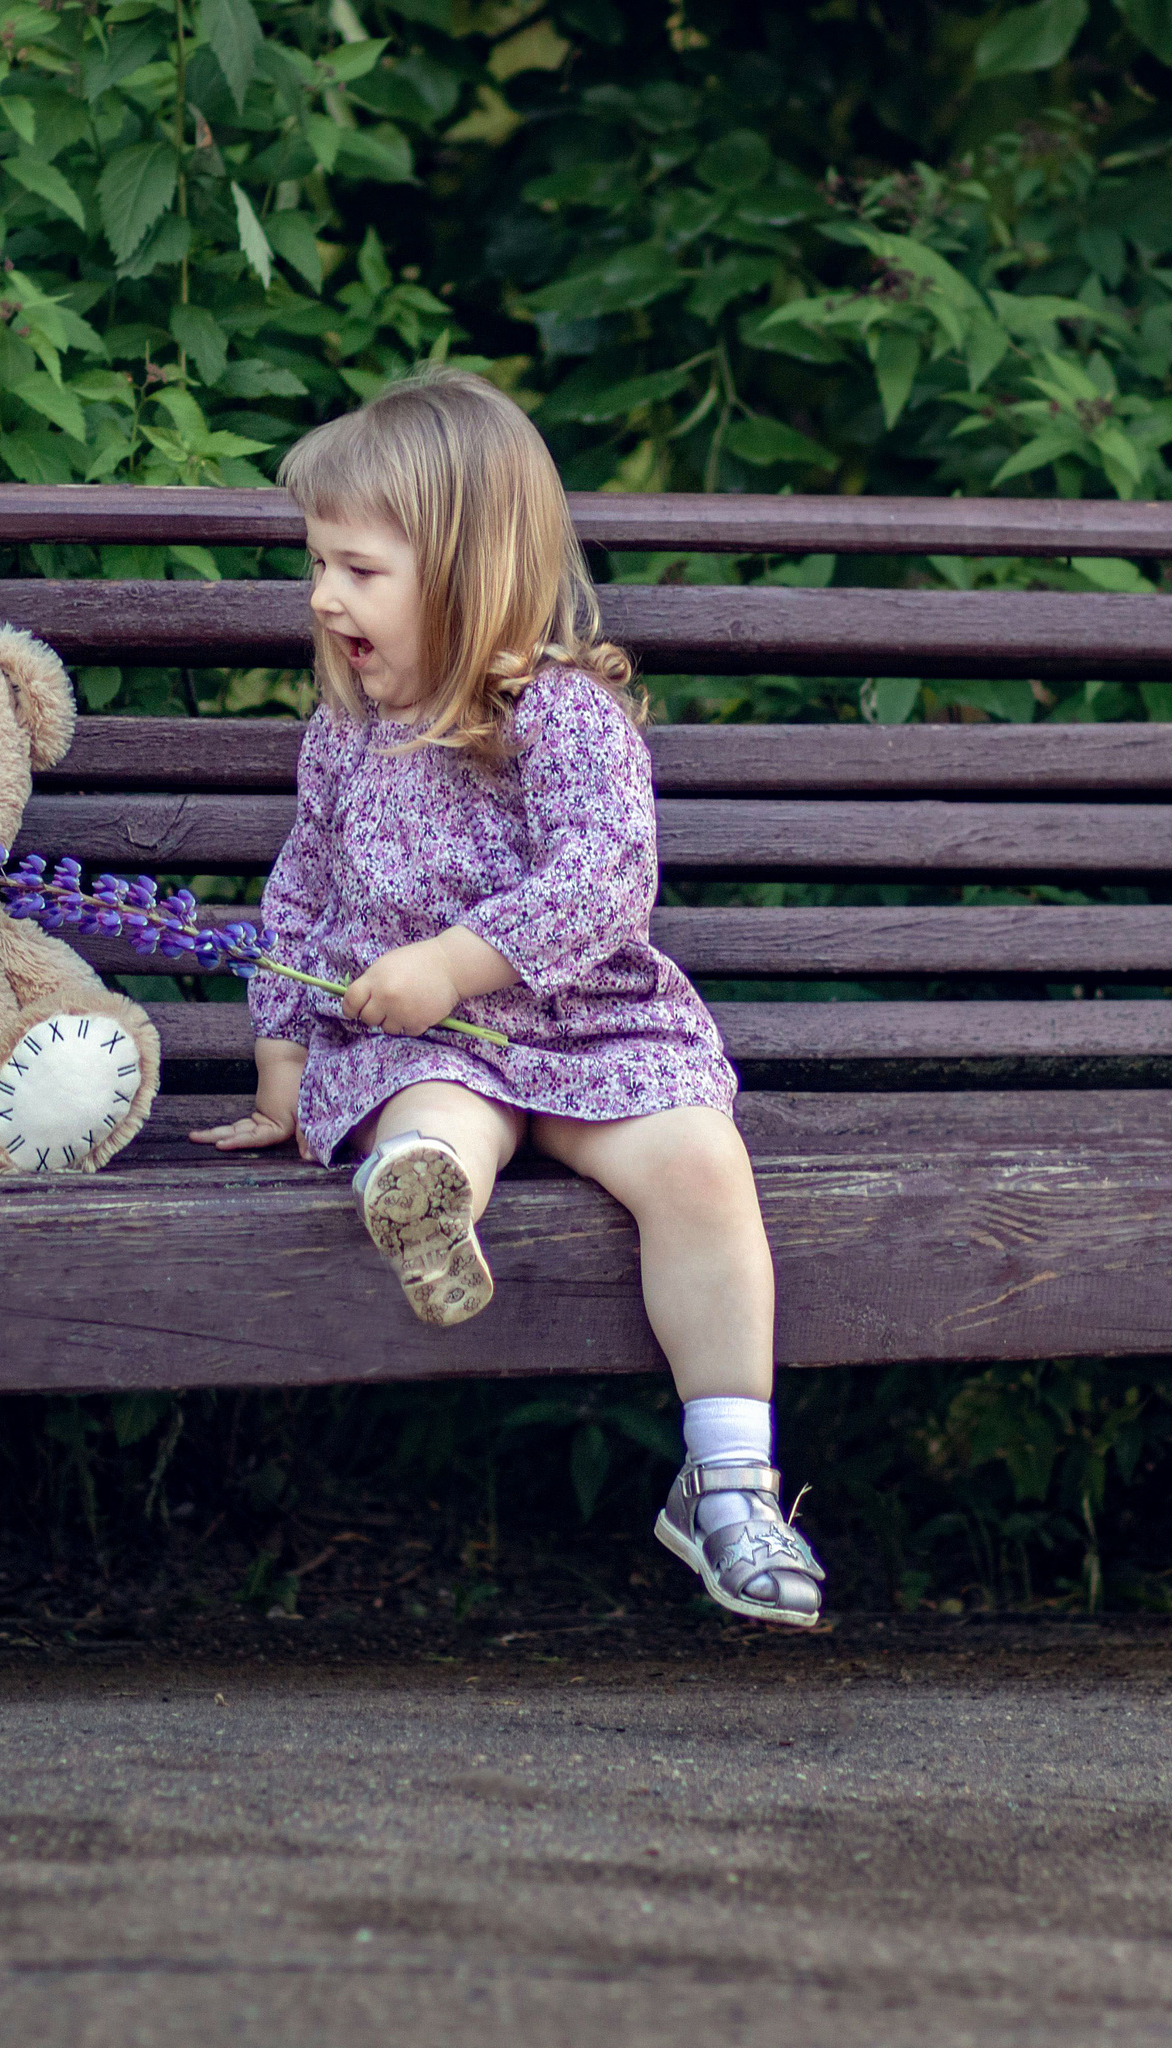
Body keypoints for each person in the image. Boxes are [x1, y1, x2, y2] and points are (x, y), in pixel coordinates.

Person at [187, 365, 823, 1630]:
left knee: (702, 1164)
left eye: (359, 571)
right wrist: (280, 1060)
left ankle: (727, 1474)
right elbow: (300, 895)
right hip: (439, 1051)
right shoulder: (343, 737)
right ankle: (426, 1193)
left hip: (589, 1028)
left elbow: (607, 875)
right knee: (442, 1107)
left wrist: (455, 959)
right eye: (318, 566)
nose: (323, 597)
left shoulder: (563, 718)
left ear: (469, 568)